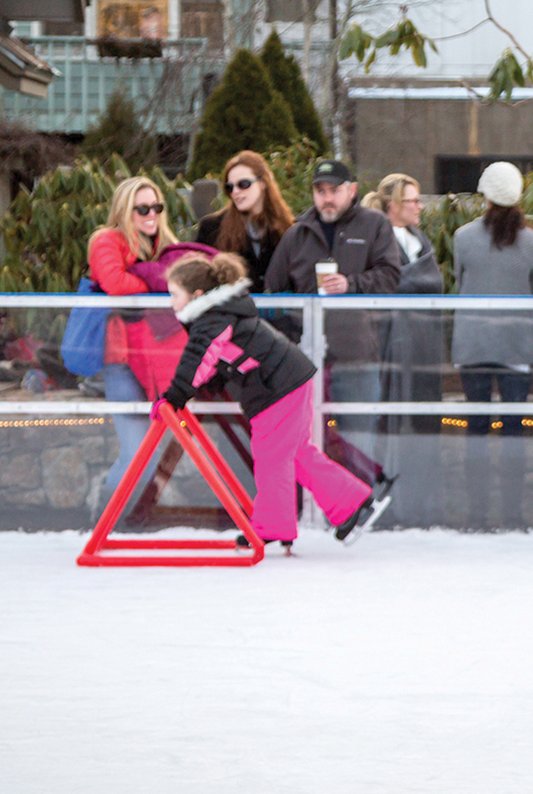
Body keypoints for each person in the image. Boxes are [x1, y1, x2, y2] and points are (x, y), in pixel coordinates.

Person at [154, 253, 392, 550]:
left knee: (272, 456)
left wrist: (174, 397)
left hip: (278, 387)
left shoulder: (213, 317)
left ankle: (273, 526)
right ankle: (352, 503)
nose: (170, 302)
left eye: (174, 294)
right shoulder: (220, 313)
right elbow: (217, 361)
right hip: (287, 381)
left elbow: (198, 357)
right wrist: (202, 388)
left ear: (196, 295)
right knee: (294, 453)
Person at [264, 158, 402, 479]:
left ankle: (361, 507)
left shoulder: (374, 225)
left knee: (359, 439)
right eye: (320, 191)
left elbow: (391, 276)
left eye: (334, 190)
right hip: (306, 361)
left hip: (358, 356)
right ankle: (315, 515)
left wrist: (350, 284)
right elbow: (273, 291)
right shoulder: (297, 234)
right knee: (310, 440)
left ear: (352, 191)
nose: (327, 198)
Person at [451, 162, 533, 527]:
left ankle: (476, 514)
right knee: (513, 430)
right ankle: (513, 514)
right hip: (516, 345)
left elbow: (460, 282)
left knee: (476, 429)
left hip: (473, 342)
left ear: (485, 194)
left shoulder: (463, 238)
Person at [88, 177, 188, 494]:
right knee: (138, 454)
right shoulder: (107, 240)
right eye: (141, 208)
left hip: (157, 358)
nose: (151, 214)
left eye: (156, 207)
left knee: (149, 452)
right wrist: (153, 282)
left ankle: (121, 513)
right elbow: (116, 284)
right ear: (124, 210)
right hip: (120, 359)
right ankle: (107, 514)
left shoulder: (164, 244)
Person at [364, 173, 445, 525]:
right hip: (391, 343)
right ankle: (384, 504)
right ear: (394, 206)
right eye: (413, 201)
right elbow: (387, 284)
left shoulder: (420, 241)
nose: (419, 207)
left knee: (424, 423)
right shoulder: (380, 243)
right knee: (389, 424)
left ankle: (421, 503)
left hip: (424, 344)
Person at [194, 151, 294, 287]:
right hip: (232, 307)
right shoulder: (212, 228)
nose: (235, 192)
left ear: (263, 183)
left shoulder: (287, 227)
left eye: (243, 184)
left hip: (277, 306)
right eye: (230, 187)